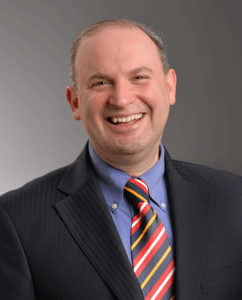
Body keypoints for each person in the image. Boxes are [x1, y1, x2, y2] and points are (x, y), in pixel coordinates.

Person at [0, 19, 241, 300]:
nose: (123, 99)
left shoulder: (234, 200)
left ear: (170, 87)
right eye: (101, 82)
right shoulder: (16, 220)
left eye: (139, 77)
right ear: (75, 102)